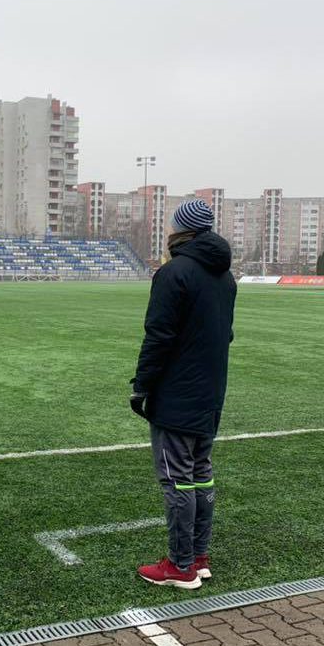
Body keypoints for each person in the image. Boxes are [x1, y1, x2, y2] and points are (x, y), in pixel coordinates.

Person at [129, 199, 236, 590]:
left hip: (177, 395)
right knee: (200, 473)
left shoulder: (174, 273)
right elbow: (225, 335)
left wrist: (142, 386)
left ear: (180, 231)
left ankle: (180, 566)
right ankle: (199, 556)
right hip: (210, 394)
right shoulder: (225, 277)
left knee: (177, 479)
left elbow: (159, 336)